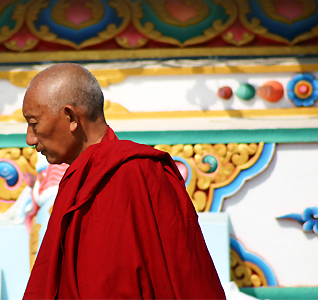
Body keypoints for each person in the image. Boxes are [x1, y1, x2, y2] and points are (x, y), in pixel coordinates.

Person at [22, 63, 226, 299]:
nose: (29, 138)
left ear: (71, 117)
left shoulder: (142, 171)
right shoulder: (76, 181)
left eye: (34, 123)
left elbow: (186, 270)